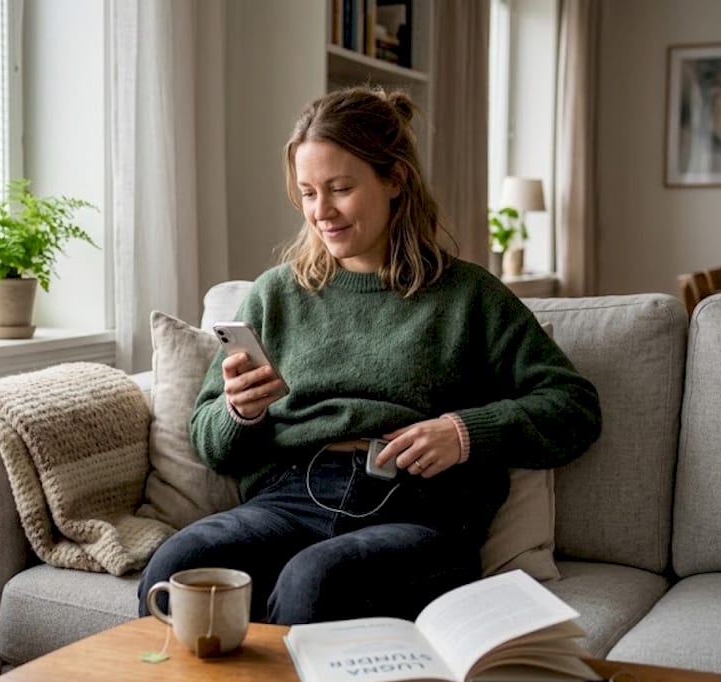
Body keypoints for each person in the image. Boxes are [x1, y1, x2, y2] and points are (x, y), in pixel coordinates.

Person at [137, 86, 602, 625]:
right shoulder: (275, 295)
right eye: (308, 193)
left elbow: (574, 405)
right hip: (289, 498)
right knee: (174, 568)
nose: (321, 212)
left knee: (314, 584)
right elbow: (210, 441)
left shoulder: (470, 297)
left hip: (420, 509)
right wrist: (240, 412)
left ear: (395, 179)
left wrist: (464, 433)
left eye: (340, 189)